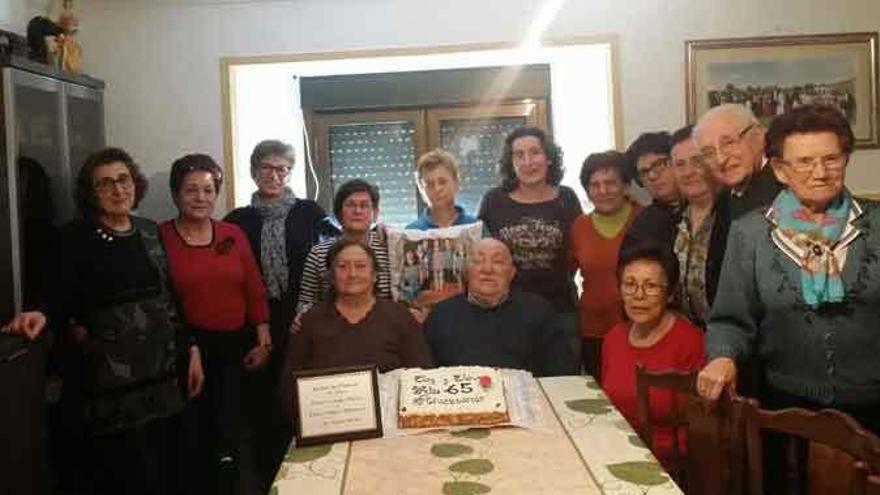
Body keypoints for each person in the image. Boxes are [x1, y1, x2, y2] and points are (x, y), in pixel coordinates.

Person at [11, 148, 202, 495]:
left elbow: (168, 299)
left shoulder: (148, 231)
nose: (118, 190)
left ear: (135, 183)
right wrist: (40, 313)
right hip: (111, 388)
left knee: (166, 472)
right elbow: (56, 295)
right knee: (124, 476)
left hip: (161, 379)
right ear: (90, 192)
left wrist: (191, 349)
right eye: (105, 184)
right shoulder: (74, 238)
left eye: (123, 180)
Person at [697, 105, 880, 438]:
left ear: (846, 160)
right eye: (805, 162)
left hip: (874, 411)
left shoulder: (877, 224)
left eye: (831, 159)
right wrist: (723, 357)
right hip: (784, 412)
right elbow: (729, 320)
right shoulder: (750, 233)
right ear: (781, 170)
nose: (820, 172)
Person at [158, 154, 270, 495]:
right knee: (191, 436)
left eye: (208, 190)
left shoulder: (232, 233)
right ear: (176, 194)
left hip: (235, 346)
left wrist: (263, 339)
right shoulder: (158, 236)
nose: (201, 198)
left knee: (231, 432)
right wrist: (187, 346)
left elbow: (253, 287)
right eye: (191, 190)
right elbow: (161, 300)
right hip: (185, 348)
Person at [223, 140, 330, 493]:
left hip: (300, 320)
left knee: (302, 404)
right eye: (267, 168)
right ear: (254, 172)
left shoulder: (309, 212)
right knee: (261, 411)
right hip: (253, 326)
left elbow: (333, 257)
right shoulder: (237, 221)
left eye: (282, 168)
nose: (274, 175)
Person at [281, 238, 433, 417]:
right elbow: (289, 388)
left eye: (361, 266)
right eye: (342, 266)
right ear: (331, 276)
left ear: (375, 275)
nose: (352, 274)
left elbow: (422, 377)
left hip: (392, 423)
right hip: (328, 423)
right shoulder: (310, 321)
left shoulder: (400, 317)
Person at [602, 244, 704, 471]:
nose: (638, 295)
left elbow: (704, 426)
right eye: (630, 284)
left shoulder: (691, 342)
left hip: (671, 467)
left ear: (669, 294)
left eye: (650, 286)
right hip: (615, 453)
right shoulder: (613, 339)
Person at [424, 238, 578, 376]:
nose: (487, 269)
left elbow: (562, 372)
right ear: (466, 272)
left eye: (497, 262)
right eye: (478, 261)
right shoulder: (440, 315)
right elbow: (425, 375)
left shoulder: (540, 312)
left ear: (511, 273)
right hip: (459, 404)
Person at [478, 126, 582, 313]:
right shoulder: (493, 200)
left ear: (549, 158)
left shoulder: (567, 198)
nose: (528, 162)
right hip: (507, 309)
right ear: (511, 163)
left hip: (560, 308)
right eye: (519, 155)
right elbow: (481, 254)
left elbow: (579, 252)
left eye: (535, 153)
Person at [570, 151, 641, 379]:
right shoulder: (579, 226)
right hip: (593, 331)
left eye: (610, 183)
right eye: (595, 184)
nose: (603, 191)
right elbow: (567, 274)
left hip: (638, 326)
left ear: (625, 185)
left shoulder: (645, 219)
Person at [294, 179, 391, 321]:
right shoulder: (318, 253)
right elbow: (306, 301)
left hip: (384, 329)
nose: (357, 211)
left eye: (364, 205)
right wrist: (303, 316)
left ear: (375, 213)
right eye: (350, 205)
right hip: (333, 330)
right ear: (339, 213)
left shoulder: (389, 248)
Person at [669, 125, 731, 327]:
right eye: (680, 164)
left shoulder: (735, 216)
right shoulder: (673, 221)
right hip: (688, 339)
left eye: (697, 161)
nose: (688, 172)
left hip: (732, 339)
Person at [693, 103, 783, 219]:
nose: (721, 160)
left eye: (729, 143)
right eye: (709, 153)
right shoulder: (720, 201)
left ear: (759, 136)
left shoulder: (786, 192)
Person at [620, 131, 682, 253]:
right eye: (644, 172)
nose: (652, 176)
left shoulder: (705, 206)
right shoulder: (641, 227)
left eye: (659, 164)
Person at [407, 149, 479, 229]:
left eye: (442, 182)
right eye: (430, 184)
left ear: (456, 183)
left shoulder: (474, 227)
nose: (437, 189)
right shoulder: (412, 232)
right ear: (421, 190)